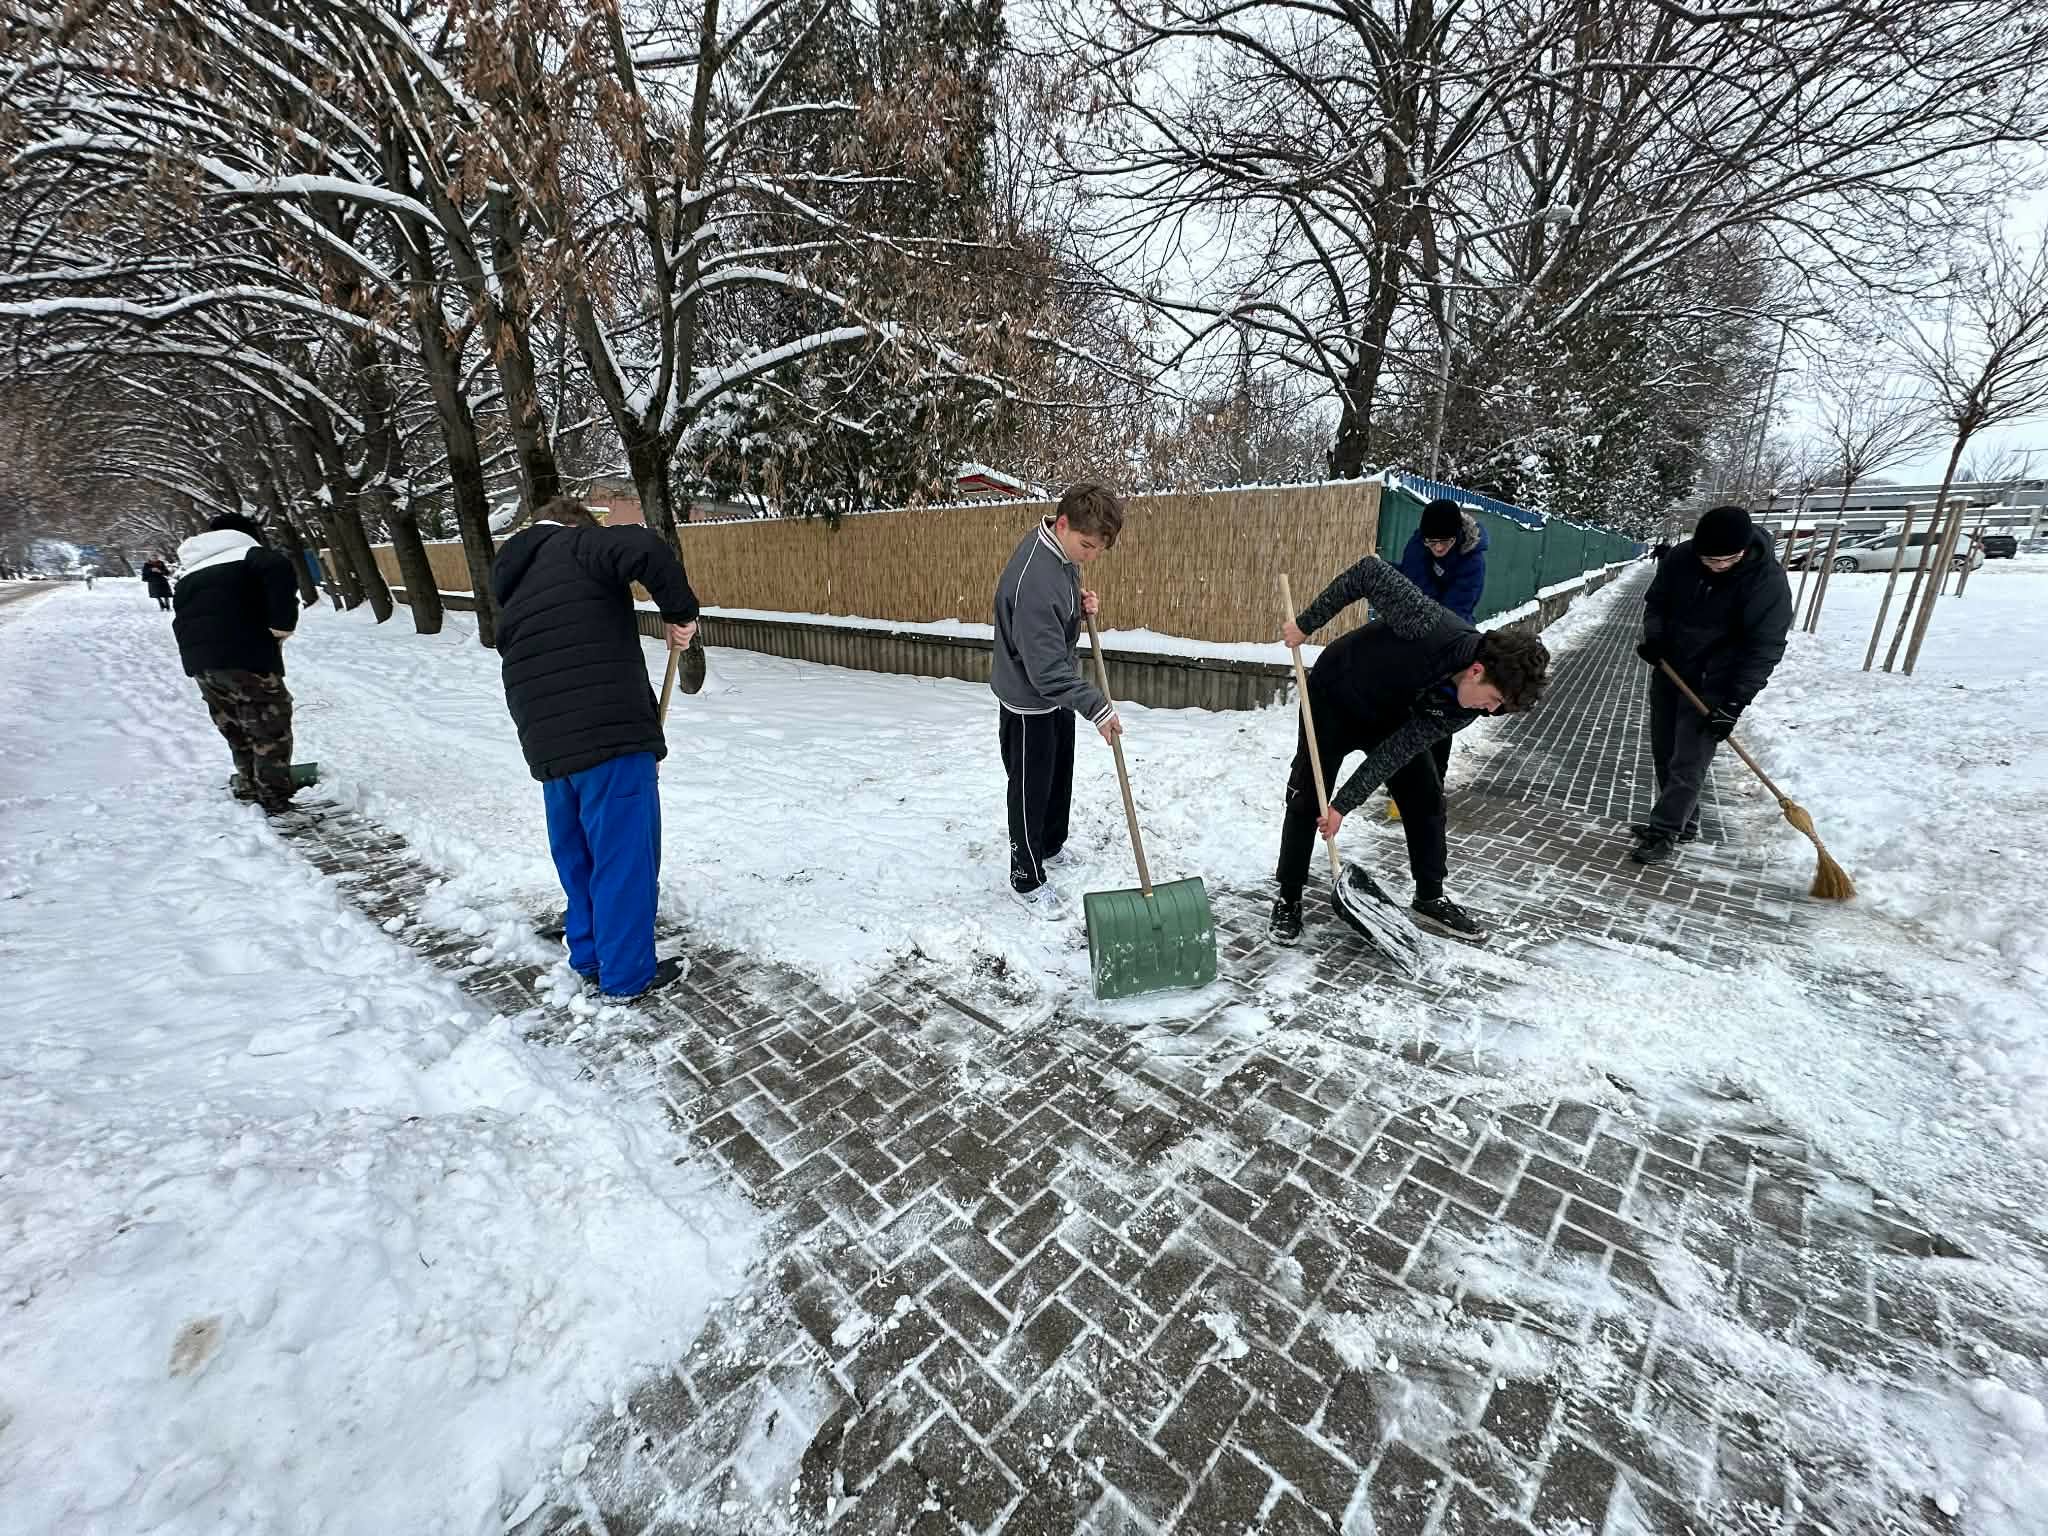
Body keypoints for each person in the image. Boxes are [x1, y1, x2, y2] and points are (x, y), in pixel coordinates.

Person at [1272, 555, 1550, 944]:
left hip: (1390, 715)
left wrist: (1343, 806)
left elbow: (1396, 751)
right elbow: (1369, 572)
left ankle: (1430, 895)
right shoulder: (1429, 626)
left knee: (1424, 794)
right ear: (1476, 671)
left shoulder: (1463, 708)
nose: (1490, 711)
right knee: (1307, 794)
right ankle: (1288, 896)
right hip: (1334, 697)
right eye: (1492, 700)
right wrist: (1305, 624)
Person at [492, 496, 700, 1001]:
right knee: (623, 857)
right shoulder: (574, 543)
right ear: (575, 526)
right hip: (608, 733)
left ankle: (587, 954)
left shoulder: (515, 582)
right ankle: (626, 974)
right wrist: (680, 613)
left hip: (547, 746)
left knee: (579, 855)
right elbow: (643, 544)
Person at [1631, 504, 1792, 866]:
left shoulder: (1767, 582)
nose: (1716, 566)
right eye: (1709, 559)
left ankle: (1665, 830)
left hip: (1717, 681)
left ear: (1743, 549)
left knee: (1689, 760)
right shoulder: (1682, 558)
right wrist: (1655, 640)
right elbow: (1656, 602)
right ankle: (1685, 822)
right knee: (1665, 749)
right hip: (1671, 669)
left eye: (1726, 560)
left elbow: (1765, 647)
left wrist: (1734, 703)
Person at [991, 481, 1124, 916]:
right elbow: (1044, 671)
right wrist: (1097, 708)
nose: (1090, 556)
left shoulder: (1061, 554)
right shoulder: (1036, 580)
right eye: (1086, 545)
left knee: (1056, 777)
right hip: (1030, 701)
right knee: (1030, 789)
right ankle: (1026, 877)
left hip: (1054, 692)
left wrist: (1078, 605)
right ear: (1062, 523)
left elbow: (1057, 615)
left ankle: (1049, 845)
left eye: (1097, 549)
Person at [171, 513, 303, 812]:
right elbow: (282, 582)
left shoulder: (193, 570)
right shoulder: (255, 556)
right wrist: (280, 629)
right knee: (269, 725)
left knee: (234, 722)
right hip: (244, 653)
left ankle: (248, 785)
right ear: (247, 532)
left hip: (201, 661)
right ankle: (275, 799)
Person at [1392, 497, 1490, 814]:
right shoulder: (1416, 546)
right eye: (1431, 541)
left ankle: (1433, 785)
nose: (1437, 548)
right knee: (1405, 712)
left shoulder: (1472, 559)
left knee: (1439, 712)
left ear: (1456, 535)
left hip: (1452, 638)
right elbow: (1411, 590)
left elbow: (1457, 611)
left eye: (1444, 541)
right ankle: (1399, 786)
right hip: (1413, 634)